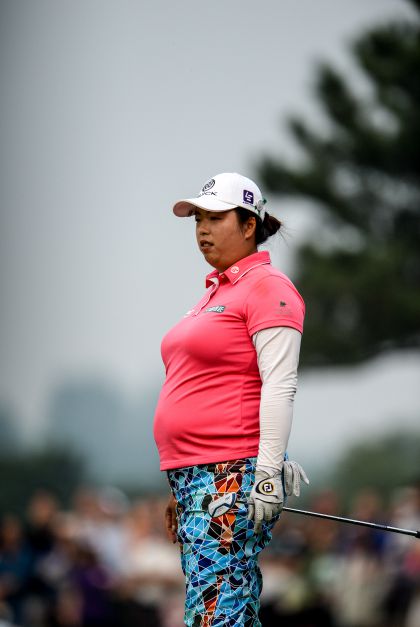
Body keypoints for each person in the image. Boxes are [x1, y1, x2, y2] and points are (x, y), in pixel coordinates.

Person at [153, 172, 309, 627]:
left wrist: (267, 474)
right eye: (198, 219)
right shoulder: (216, 292)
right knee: (226, 608)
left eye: (215, 218)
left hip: (231, 473)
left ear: (248, 225)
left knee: (214, 613)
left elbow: (280, 384)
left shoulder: (268, 286)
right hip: (198, 477)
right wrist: (181, 488)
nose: (202, 229)